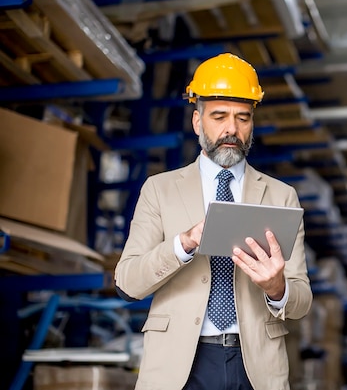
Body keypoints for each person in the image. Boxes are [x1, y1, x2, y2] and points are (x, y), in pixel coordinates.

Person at [114, 52, 313, 390]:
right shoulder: (160, 190)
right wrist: (183, 244)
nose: (231, 129)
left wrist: (276, 288)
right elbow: (128, 282)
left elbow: (302, 300)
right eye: (219, 116)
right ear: (197, 121)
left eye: (243, 118)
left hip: (253, 365)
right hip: (179, 365)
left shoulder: (281, 196)